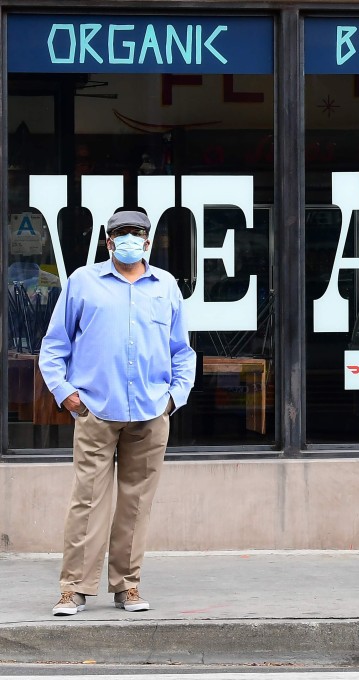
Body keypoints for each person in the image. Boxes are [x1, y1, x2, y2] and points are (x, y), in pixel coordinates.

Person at [39, 209, 197, 615]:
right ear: (108, 243)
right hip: (96, 410)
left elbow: (182, 350)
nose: (129, 241)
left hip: (150, 411)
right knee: (87, 501)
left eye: (136, 234)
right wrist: (68, 395)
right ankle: (73, 588)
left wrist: (173, 398)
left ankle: (127, 585)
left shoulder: (165, 287)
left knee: (136, 503)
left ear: (148, 242)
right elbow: (54, 345)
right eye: (120, 235)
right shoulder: (83, 282)